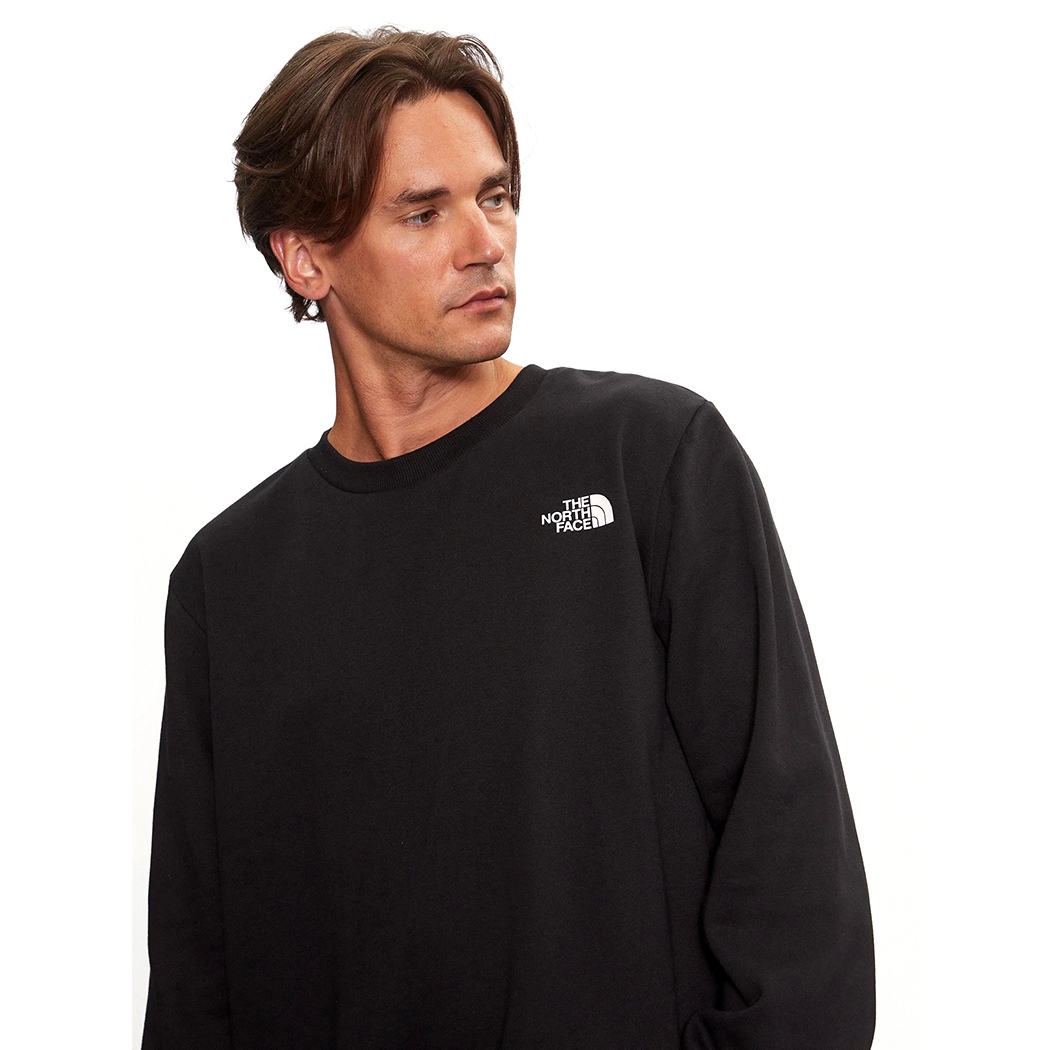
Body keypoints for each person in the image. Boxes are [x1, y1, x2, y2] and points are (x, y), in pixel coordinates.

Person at [142, 27, 875, 1050]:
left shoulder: (651, 459)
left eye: (494, 197)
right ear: (306, 257)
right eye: (423, 211)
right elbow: (198, 982)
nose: (484, 241)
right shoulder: (230, 580)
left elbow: (796, 892)